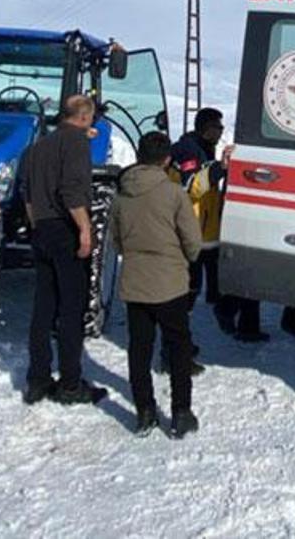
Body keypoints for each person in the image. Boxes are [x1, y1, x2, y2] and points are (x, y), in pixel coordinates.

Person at [110, 131, 203, 438]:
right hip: (169, 281)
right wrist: (186, 259)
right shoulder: (174, 193)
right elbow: (192, 240)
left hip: (135, 280)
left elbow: (116, 241)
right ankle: (180, 413)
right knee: (178, 347)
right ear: (166, 160)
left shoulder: (122, 194)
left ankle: (145, 412)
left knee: (139, 348)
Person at [18, 94, 109, 406]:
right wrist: (84, 229)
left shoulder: (37, 147)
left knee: (43, 307)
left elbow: (28, 194)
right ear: (83, 116)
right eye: (91, 117)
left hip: (41, 229)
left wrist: (36, 225)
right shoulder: (76, 144)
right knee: (71, 308)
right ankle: (70, 384)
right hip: (65, 229)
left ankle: (38, 379)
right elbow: (71, 190)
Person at [171, 107, 269, 343]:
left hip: (208, 230)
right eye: (218, 127)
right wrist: (220, 167)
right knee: (190, 287)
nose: (221, 131)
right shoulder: (188, 150)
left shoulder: (205, 147)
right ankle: (176, 339)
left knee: (220, 278)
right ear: (206, 128)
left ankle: (231, 316)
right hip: (193, 230)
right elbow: (191, 186)